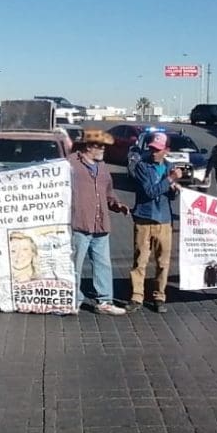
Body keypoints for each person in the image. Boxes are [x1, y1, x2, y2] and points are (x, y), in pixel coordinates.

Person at [68, 128, 129, 315]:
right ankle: (73, 301)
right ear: (88, 146)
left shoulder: (102, 167)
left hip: (101, 224)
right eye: (99, 146)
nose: (103, 149)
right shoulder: (70, 164)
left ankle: (104, 301)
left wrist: (117, 204)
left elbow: (108, 192)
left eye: (104, 146)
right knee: (75, 265)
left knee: (103, 264)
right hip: (79, 223)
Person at [129, 132, 182, 313]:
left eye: (158, 150)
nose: (153, 152)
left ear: (166, 150)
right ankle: (137, 296)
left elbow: (170, 195)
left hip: (164, 220)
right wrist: (170, 180)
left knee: (163, 262)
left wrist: (175, 188)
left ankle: (159, 296)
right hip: (144, 218)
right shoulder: (142, 166)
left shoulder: (169, 167)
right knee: (140, 260)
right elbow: (150, 191)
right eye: (152, 148)